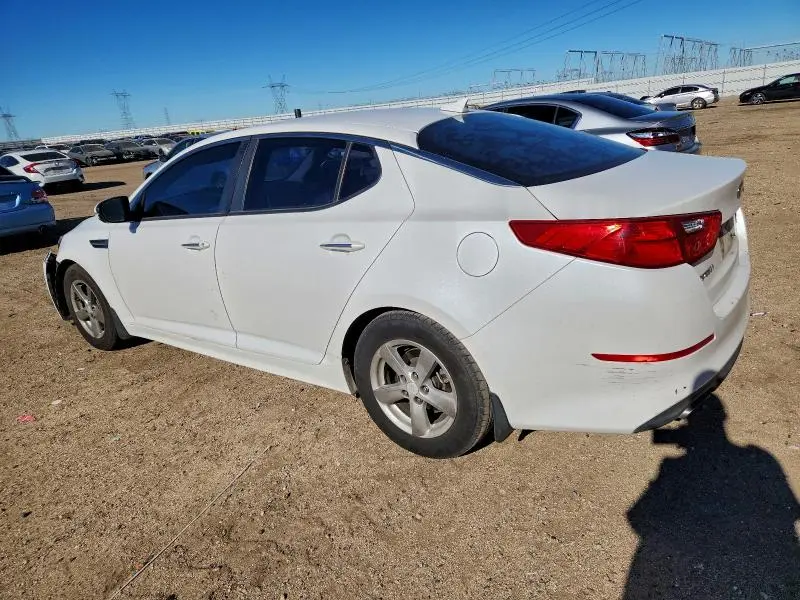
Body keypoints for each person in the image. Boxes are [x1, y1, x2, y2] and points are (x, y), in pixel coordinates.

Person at [624, 393, 800, 599]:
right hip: (757, 560)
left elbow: (638, 517)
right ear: (723, 420)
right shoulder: (761, 458)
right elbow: (788, 510)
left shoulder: (674, 468)